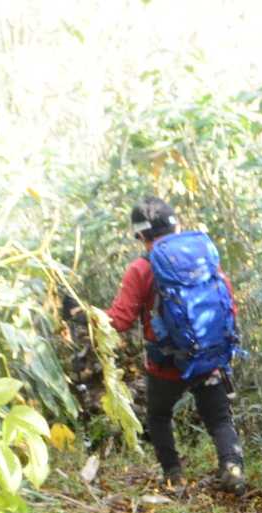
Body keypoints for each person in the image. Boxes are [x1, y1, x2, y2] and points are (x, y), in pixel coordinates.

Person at [106, 196, 246, 493]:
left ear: (141, 236)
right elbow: (227, 300)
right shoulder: (201, 255)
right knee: (219, 417)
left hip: (165, 363)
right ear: (177, 226)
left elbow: (120, 320)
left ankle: (174, 476)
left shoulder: (141, 268)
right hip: (208, 354)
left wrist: (90, 318)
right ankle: (232, 467)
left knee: (158, 416)